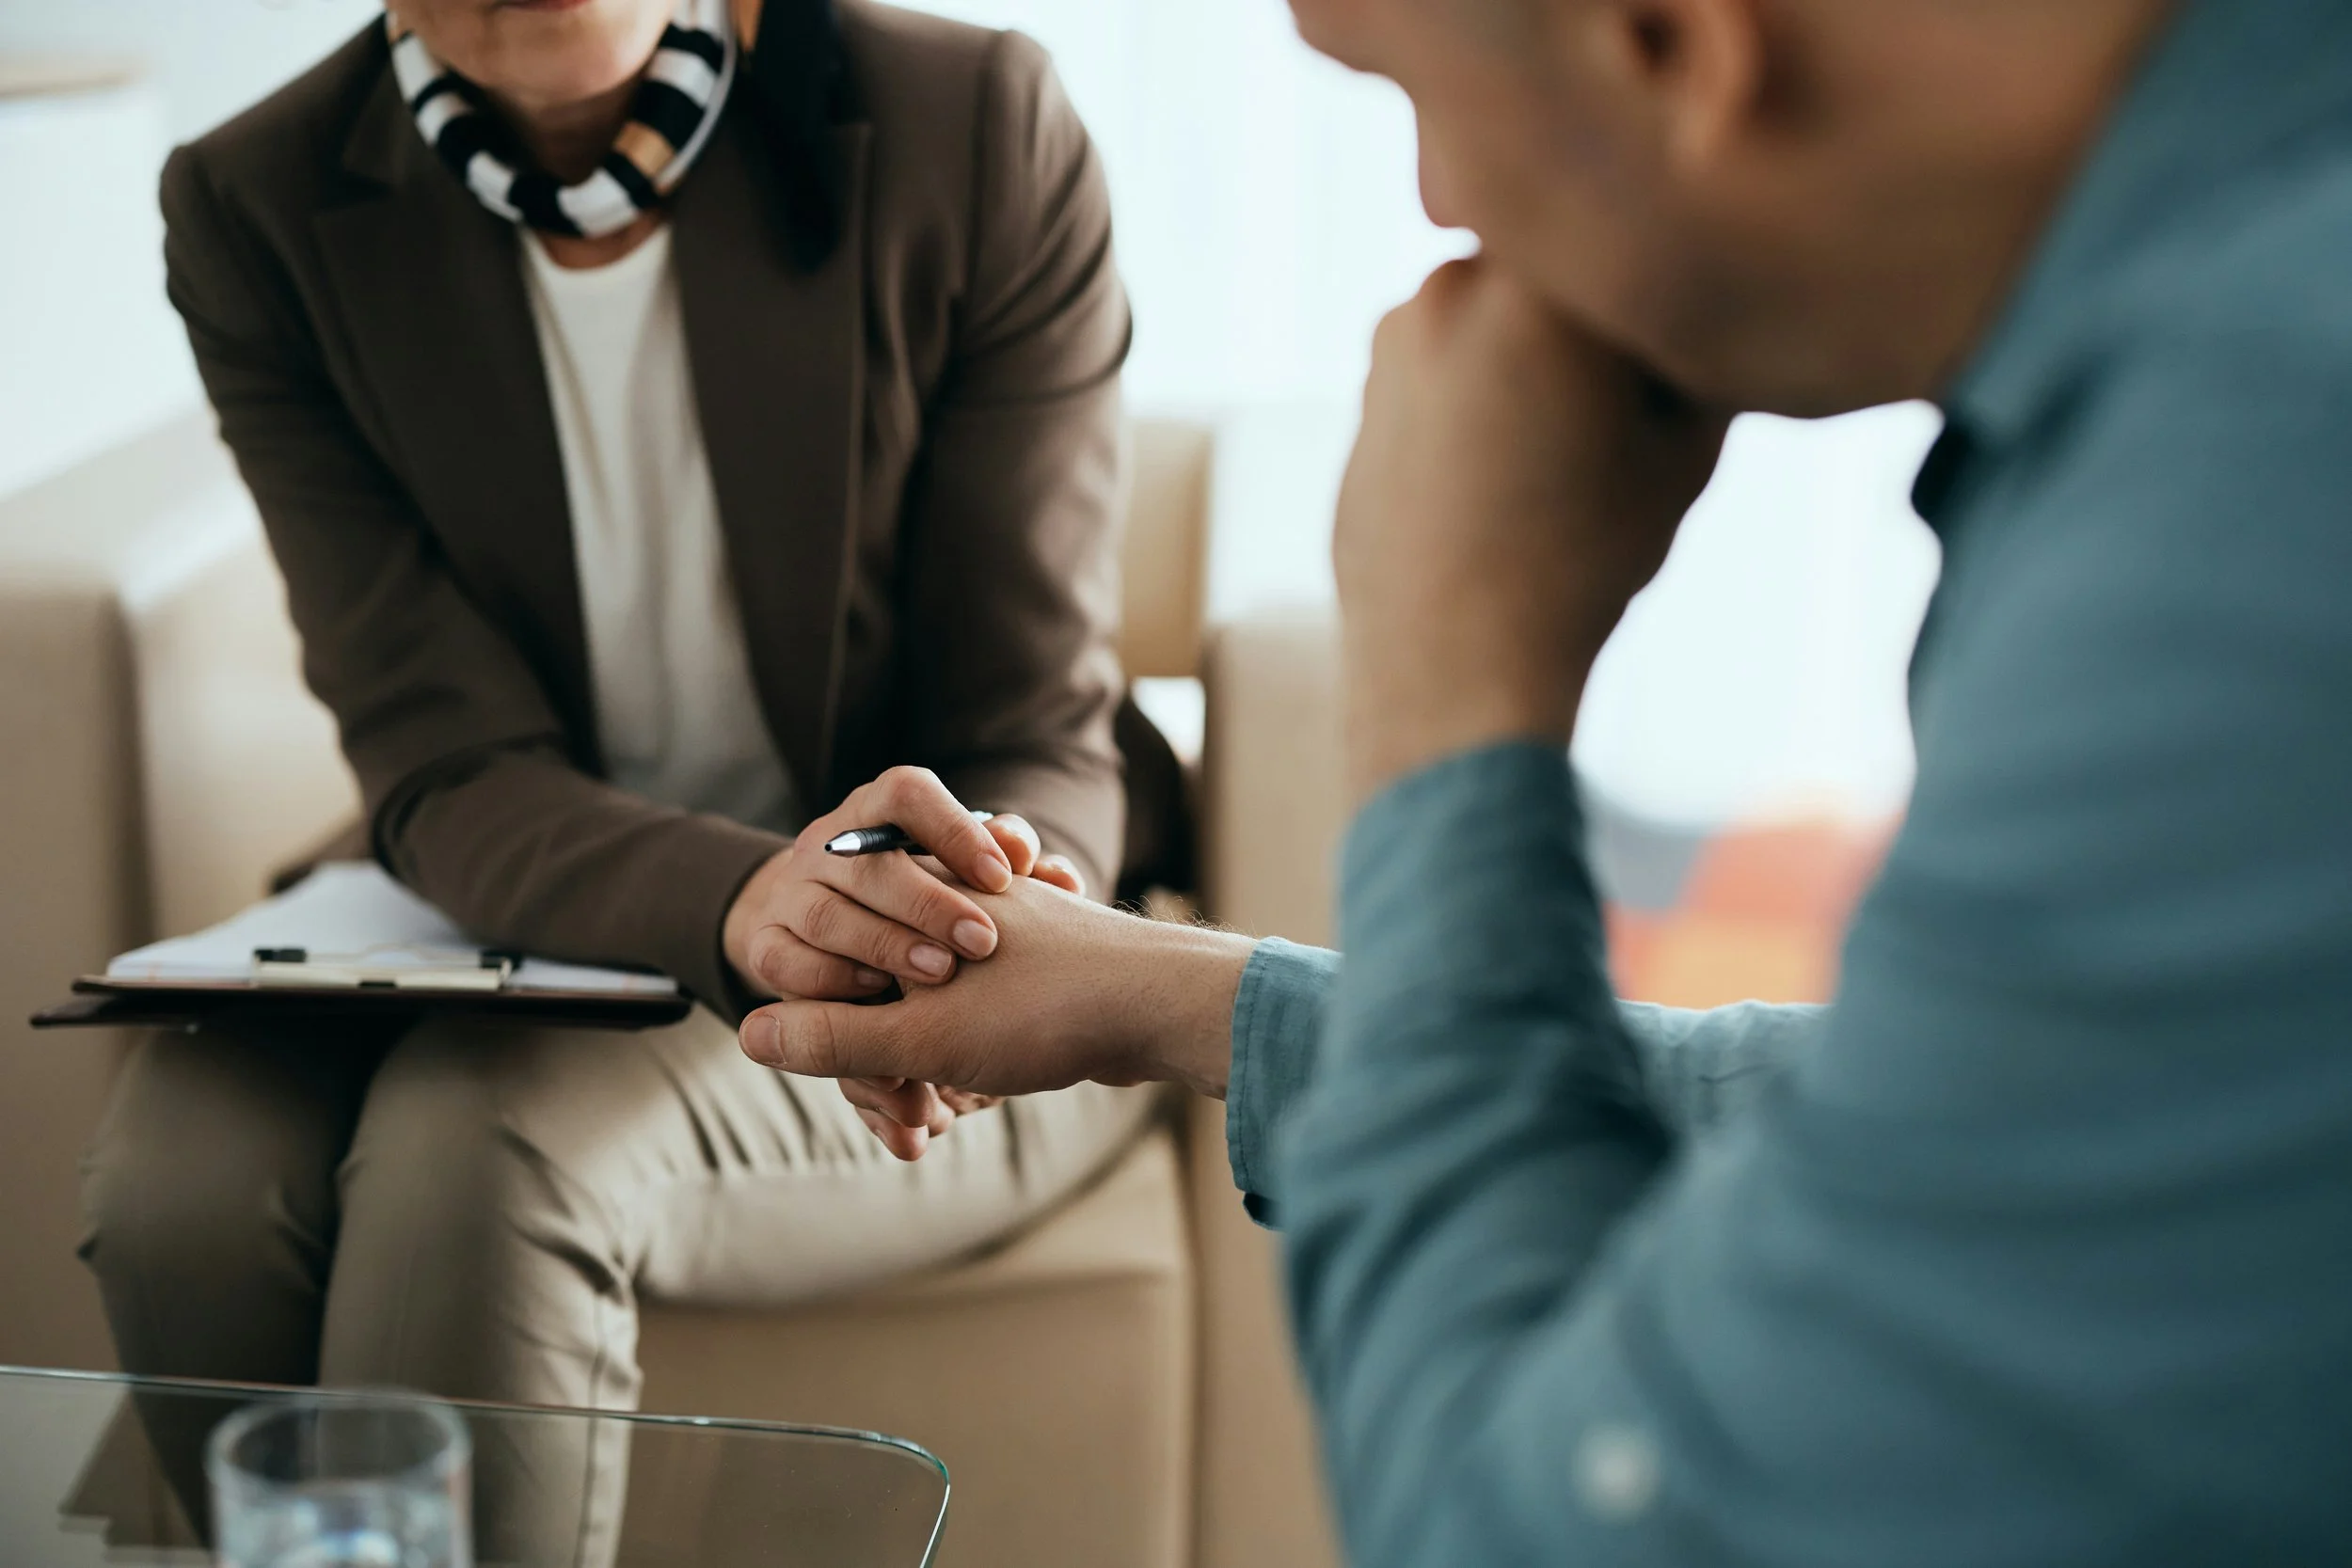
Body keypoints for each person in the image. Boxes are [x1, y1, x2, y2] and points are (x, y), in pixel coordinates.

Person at [739, 0, 2352, 1560]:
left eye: (1408, 98)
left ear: (1677, 46)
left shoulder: (2245, 524)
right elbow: (1944, 1134)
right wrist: (1178, 997)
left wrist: (1448, 690)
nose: (1442, 205)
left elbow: (1554, 1527)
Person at [78, 0, 1166, 1493]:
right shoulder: (253, 203)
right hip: (509, 892)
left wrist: (960, 913)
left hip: (899, 943)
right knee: (177, 1192)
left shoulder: (972, 125)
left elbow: (1031, 723)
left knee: (481, 1154)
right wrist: (735, 900)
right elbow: (439, 753)